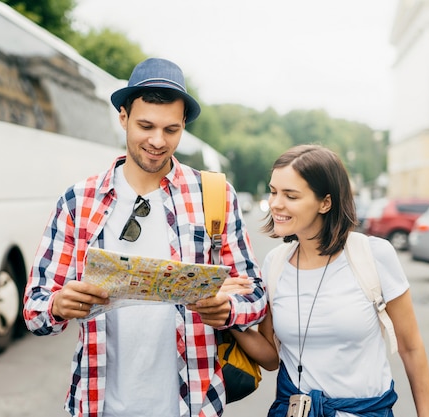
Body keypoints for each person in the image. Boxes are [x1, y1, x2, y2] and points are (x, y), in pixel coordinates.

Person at [22, 57, 267, 417]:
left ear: (184, 124)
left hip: (193, 405)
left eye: (171, 130)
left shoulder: (214, 195)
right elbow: (34, 309)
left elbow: (256, 295)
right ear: (123, 117)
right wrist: (58, 305)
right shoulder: (78, 201)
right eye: (145, 126)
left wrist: (228, 310)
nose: (157, 141)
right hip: (98, 404)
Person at [230, 144, 429, 416]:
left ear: (325, 202)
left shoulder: (373, 255)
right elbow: (270, 358)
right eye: (273, 191)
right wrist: (226, 316)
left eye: (291, 195)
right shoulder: (275, 264)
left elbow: (411, 348)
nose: (276, 203)